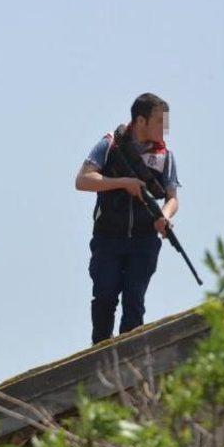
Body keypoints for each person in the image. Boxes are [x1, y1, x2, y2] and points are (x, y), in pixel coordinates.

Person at [75, 93, 180, 344]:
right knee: (105, 297)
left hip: (144, 240)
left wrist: (164, 217)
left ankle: (128, 359)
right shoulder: (110, 145)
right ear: (141, 121)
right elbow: (83, 180)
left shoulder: (165, 156)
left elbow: (172, 198)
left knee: (134, 300)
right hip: (108, 237)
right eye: (158, 121)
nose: (164, 128)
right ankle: (98, 355)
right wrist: (123, 183)